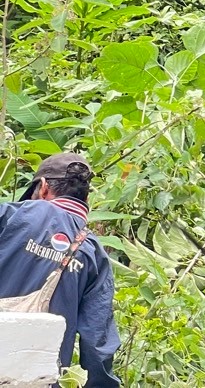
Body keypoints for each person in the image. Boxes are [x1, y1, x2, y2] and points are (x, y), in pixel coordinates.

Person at [0, 152, 119, 388]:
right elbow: (97, 345)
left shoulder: (11, 216)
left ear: (43, 187)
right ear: (86, 199)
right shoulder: (94, 254)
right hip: (38, 382)